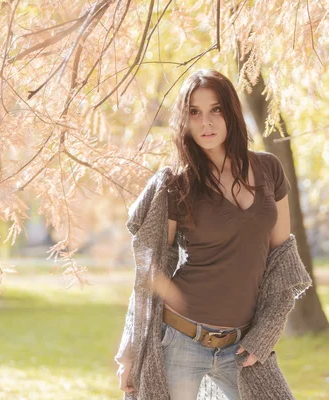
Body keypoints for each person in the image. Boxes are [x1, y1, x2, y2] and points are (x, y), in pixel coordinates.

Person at [117, 69, 293, 399]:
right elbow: (151, 275)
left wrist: (264, 335)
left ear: (231, 113)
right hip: (181, 339)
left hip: (243, 346)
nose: (205, 123)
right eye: (194, 113)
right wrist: (131, 351)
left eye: (215, 110)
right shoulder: (176, 184)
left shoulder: (269, 170)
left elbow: (282, 261)